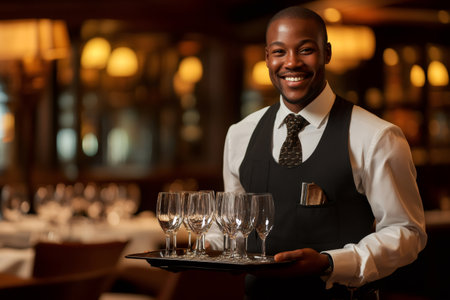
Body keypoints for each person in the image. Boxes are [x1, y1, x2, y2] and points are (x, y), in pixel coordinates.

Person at [206, 5, 427, 300]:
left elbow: (407, 233)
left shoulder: (375, 136)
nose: (292, 62)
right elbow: (231, 228)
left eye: (306, 50)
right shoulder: (240, 134)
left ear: (327, 53)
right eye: (279, 52)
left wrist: (330, 263)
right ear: (267, 57)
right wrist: (204, 248)